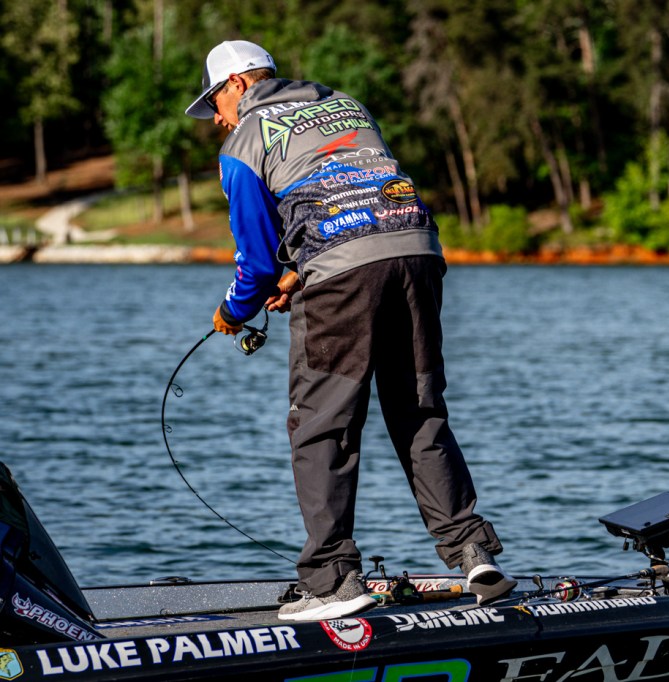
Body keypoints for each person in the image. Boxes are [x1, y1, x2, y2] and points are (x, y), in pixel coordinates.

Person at [185, 40, 515, 621]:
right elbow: (350, 193)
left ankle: (333, 580)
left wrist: (233, 311)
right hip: (416, 251)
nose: (216, 117)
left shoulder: (244, 141)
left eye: (214, 101)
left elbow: (256, 262)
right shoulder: (344, 104)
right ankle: (472, 552)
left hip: (343, 272)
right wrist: (298, 274)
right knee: (418, 410)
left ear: (237, 83)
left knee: (321, 425)